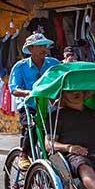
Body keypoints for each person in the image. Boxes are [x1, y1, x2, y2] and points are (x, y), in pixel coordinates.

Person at [9, 33, 60, 169]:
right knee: (32, 124)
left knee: (63, 124)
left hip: (50, 106)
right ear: (30, 49)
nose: (43, 49)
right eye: (39, 46)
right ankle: (24, 155)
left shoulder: (54, 64)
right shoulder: (20, 66)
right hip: (29, 105)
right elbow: (14, 89)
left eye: (44, 45)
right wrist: (29, 92)